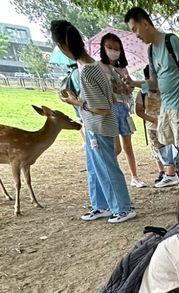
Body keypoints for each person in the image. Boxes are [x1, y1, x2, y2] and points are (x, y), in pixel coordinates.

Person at [51, 20, 136, 224]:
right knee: (94, 167)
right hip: (92, 127)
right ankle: (101, 205)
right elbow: (109, 100)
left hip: (100, 127)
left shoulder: (88, 70)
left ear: (63, 47)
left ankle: (122, 208)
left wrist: (75, 102)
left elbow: (104, 109)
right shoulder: (92, 67)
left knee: (107, 167)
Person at [125, 7, 179, 190]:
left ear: (145, 24)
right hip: (165, 107)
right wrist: (134, 83)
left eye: (135, 29)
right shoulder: (151, 51)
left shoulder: (171, 41)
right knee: (164, 142)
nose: (136, 35)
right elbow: (154, 83)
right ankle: (173, 174)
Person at [99, 32, 146, 188]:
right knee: (115, 147)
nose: (113, 50)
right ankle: (110, 175)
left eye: (116, 48)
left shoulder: (123, 69)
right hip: (110, 109)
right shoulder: (99, 67)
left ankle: (135, 177)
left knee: (128, 146)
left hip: (123, 109)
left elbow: (127, 92)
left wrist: (129, 86)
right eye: (110, 47)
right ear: (103, 48)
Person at [134, 65, 164, 185]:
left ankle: (173, 170)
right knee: (156, 149)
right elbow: (139, 110)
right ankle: (162, 171)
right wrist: (152, 119)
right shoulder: (142, 93)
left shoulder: (164, 90)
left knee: (169, 147)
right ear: (146, 78)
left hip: (167, 125)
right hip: (152, 126)